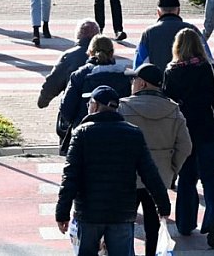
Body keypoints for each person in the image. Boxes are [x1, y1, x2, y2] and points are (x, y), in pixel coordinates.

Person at [55, 85, 171, 256]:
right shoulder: (133, 134)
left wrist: (62, 212)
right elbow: (150, 173)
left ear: (94, 105)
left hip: (89, 213)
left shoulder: (82, 133)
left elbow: (70, 176)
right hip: (121, 213)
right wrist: (163, 205)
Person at [163, 29, 214, 249]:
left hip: (184, 132)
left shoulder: (171, 72)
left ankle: (185, 222)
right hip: (208, 130)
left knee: (187, 178)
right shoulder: (209, 69)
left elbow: (167, 105)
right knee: (211, 179)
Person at [119, 64, 193, 256]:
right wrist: (172, 170)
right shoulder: (174, 110)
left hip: (128, 177)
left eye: (133, 79)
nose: (132, 83)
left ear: (142, 83)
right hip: (160, 177)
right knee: (154, 227)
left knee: (124, 226)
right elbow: (186, 146)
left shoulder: (122, 107)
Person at [59, 34, 131, 155]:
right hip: (118, 134)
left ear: (90, 52)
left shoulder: (80, 75)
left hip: (85, 133)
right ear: (112, 52)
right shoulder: (124, 75)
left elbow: (67, 109)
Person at [37, 19, 100, 109]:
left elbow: (54, 82)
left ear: (78, 35)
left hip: (74, 111)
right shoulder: (107, 56)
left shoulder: (69, 56)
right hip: (104, 112)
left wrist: (43, 100)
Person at [133, 0, 205, 70]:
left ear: (158, 12)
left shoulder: (148, 33)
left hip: (158, 80)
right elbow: (207, 57)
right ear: (178, 11)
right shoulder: (192, 29)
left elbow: (139, 64)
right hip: (190, 79)